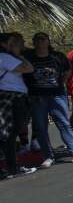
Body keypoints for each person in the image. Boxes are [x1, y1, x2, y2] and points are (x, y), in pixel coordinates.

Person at [23, 32, 73, 167]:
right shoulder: (29, 57)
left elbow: (67, 71)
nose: (40, 41)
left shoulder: (57, 56)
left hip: (56, 94)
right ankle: (48, 156)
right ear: (33, 42)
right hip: (37, 96)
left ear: (48, 41)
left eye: (43, 39)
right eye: (37, 39)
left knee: (63, 123)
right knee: (40, 126)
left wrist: (61, 83)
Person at [0, 33, 37, 178]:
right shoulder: (5, 58)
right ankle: (12, 168)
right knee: (9, 133)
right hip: (11, 98)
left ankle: (10, 167)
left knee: (9, 133)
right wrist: (18, 55)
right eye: (14, 42)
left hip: (10, 97)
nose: (19, 45)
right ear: (5, 44)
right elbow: (28, 68)